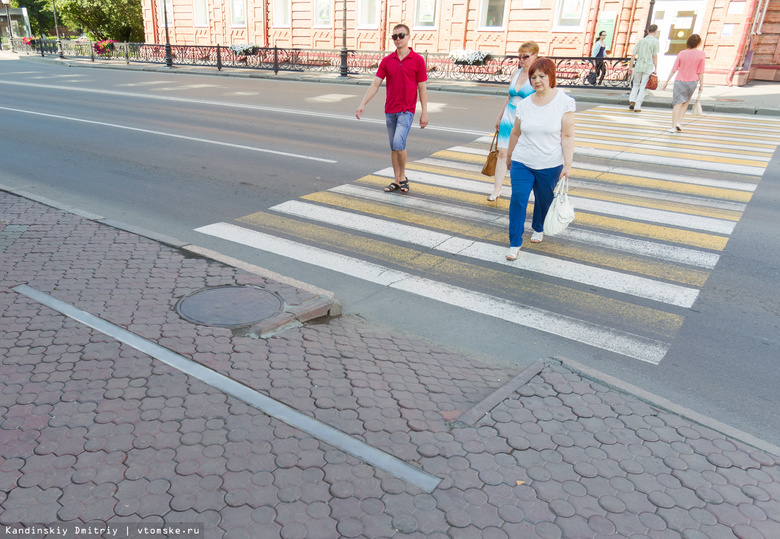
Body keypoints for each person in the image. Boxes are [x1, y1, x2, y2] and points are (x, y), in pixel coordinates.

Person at [504, 58, 576, 261]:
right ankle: (515, 242)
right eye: (533, 77)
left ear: (551, 76)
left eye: (542, 76)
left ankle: (538, 227)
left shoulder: (564, 102)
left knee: (544, 200)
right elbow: (516, 133)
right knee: (518, 199)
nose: (537, 80)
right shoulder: (524, 104)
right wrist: (509, 157)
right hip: (522, 161)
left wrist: (568, 165)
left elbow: (568, 136)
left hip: (550, 163)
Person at [356, 24, 429, 194]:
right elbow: (375, 84)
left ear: (409, 36)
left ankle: (402, 177)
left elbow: (422, 89)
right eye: (394, 36)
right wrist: (362, 103)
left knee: (398, 142)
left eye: (401, 35)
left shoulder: (418, 60)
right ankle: (396, 179)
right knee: (393, 147)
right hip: (390, 110)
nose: (398, 39)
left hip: (407, 110)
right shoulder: (387, 61)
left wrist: (424, 112)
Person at [488, 41, 538, 201]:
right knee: (503, 153)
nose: (522, 60)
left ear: (535, 56)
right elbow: (509, 96)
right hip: (509, 115)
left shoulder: (537, 76)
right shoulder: (515, 74)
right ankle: (497, 189)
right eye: (519, 56)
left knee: (522, 156)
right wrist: (500, 115)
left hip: (526, 118)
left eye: (525, 56)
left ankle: (526, 190)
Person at [662, 34, 705, 133]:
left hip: (680, 81)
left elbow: (674, 68)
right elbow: (700, 71)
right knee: (686, 102)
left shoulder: (682, 53)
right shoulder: (702, 54)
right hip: (693, 82)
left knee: (677, 104)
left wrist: (667, 81)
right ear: (698, 43)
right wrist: (701, 85)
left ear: (688, 42)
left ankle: (673, 127)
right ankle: (678, 123)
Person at [628, 24, 660, 113]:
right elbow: (654, 56)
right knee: (643, 87)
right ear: (655, 32)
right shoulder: (655, 42)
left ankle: (632, 101)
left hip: (639, 66)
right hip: (648, 66)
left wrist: (630, 67)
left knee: (636, 84)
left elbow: (633, 54)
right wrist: (656, 68)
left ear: (648, 31)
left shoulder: (641, 41)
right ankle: (637, 106)